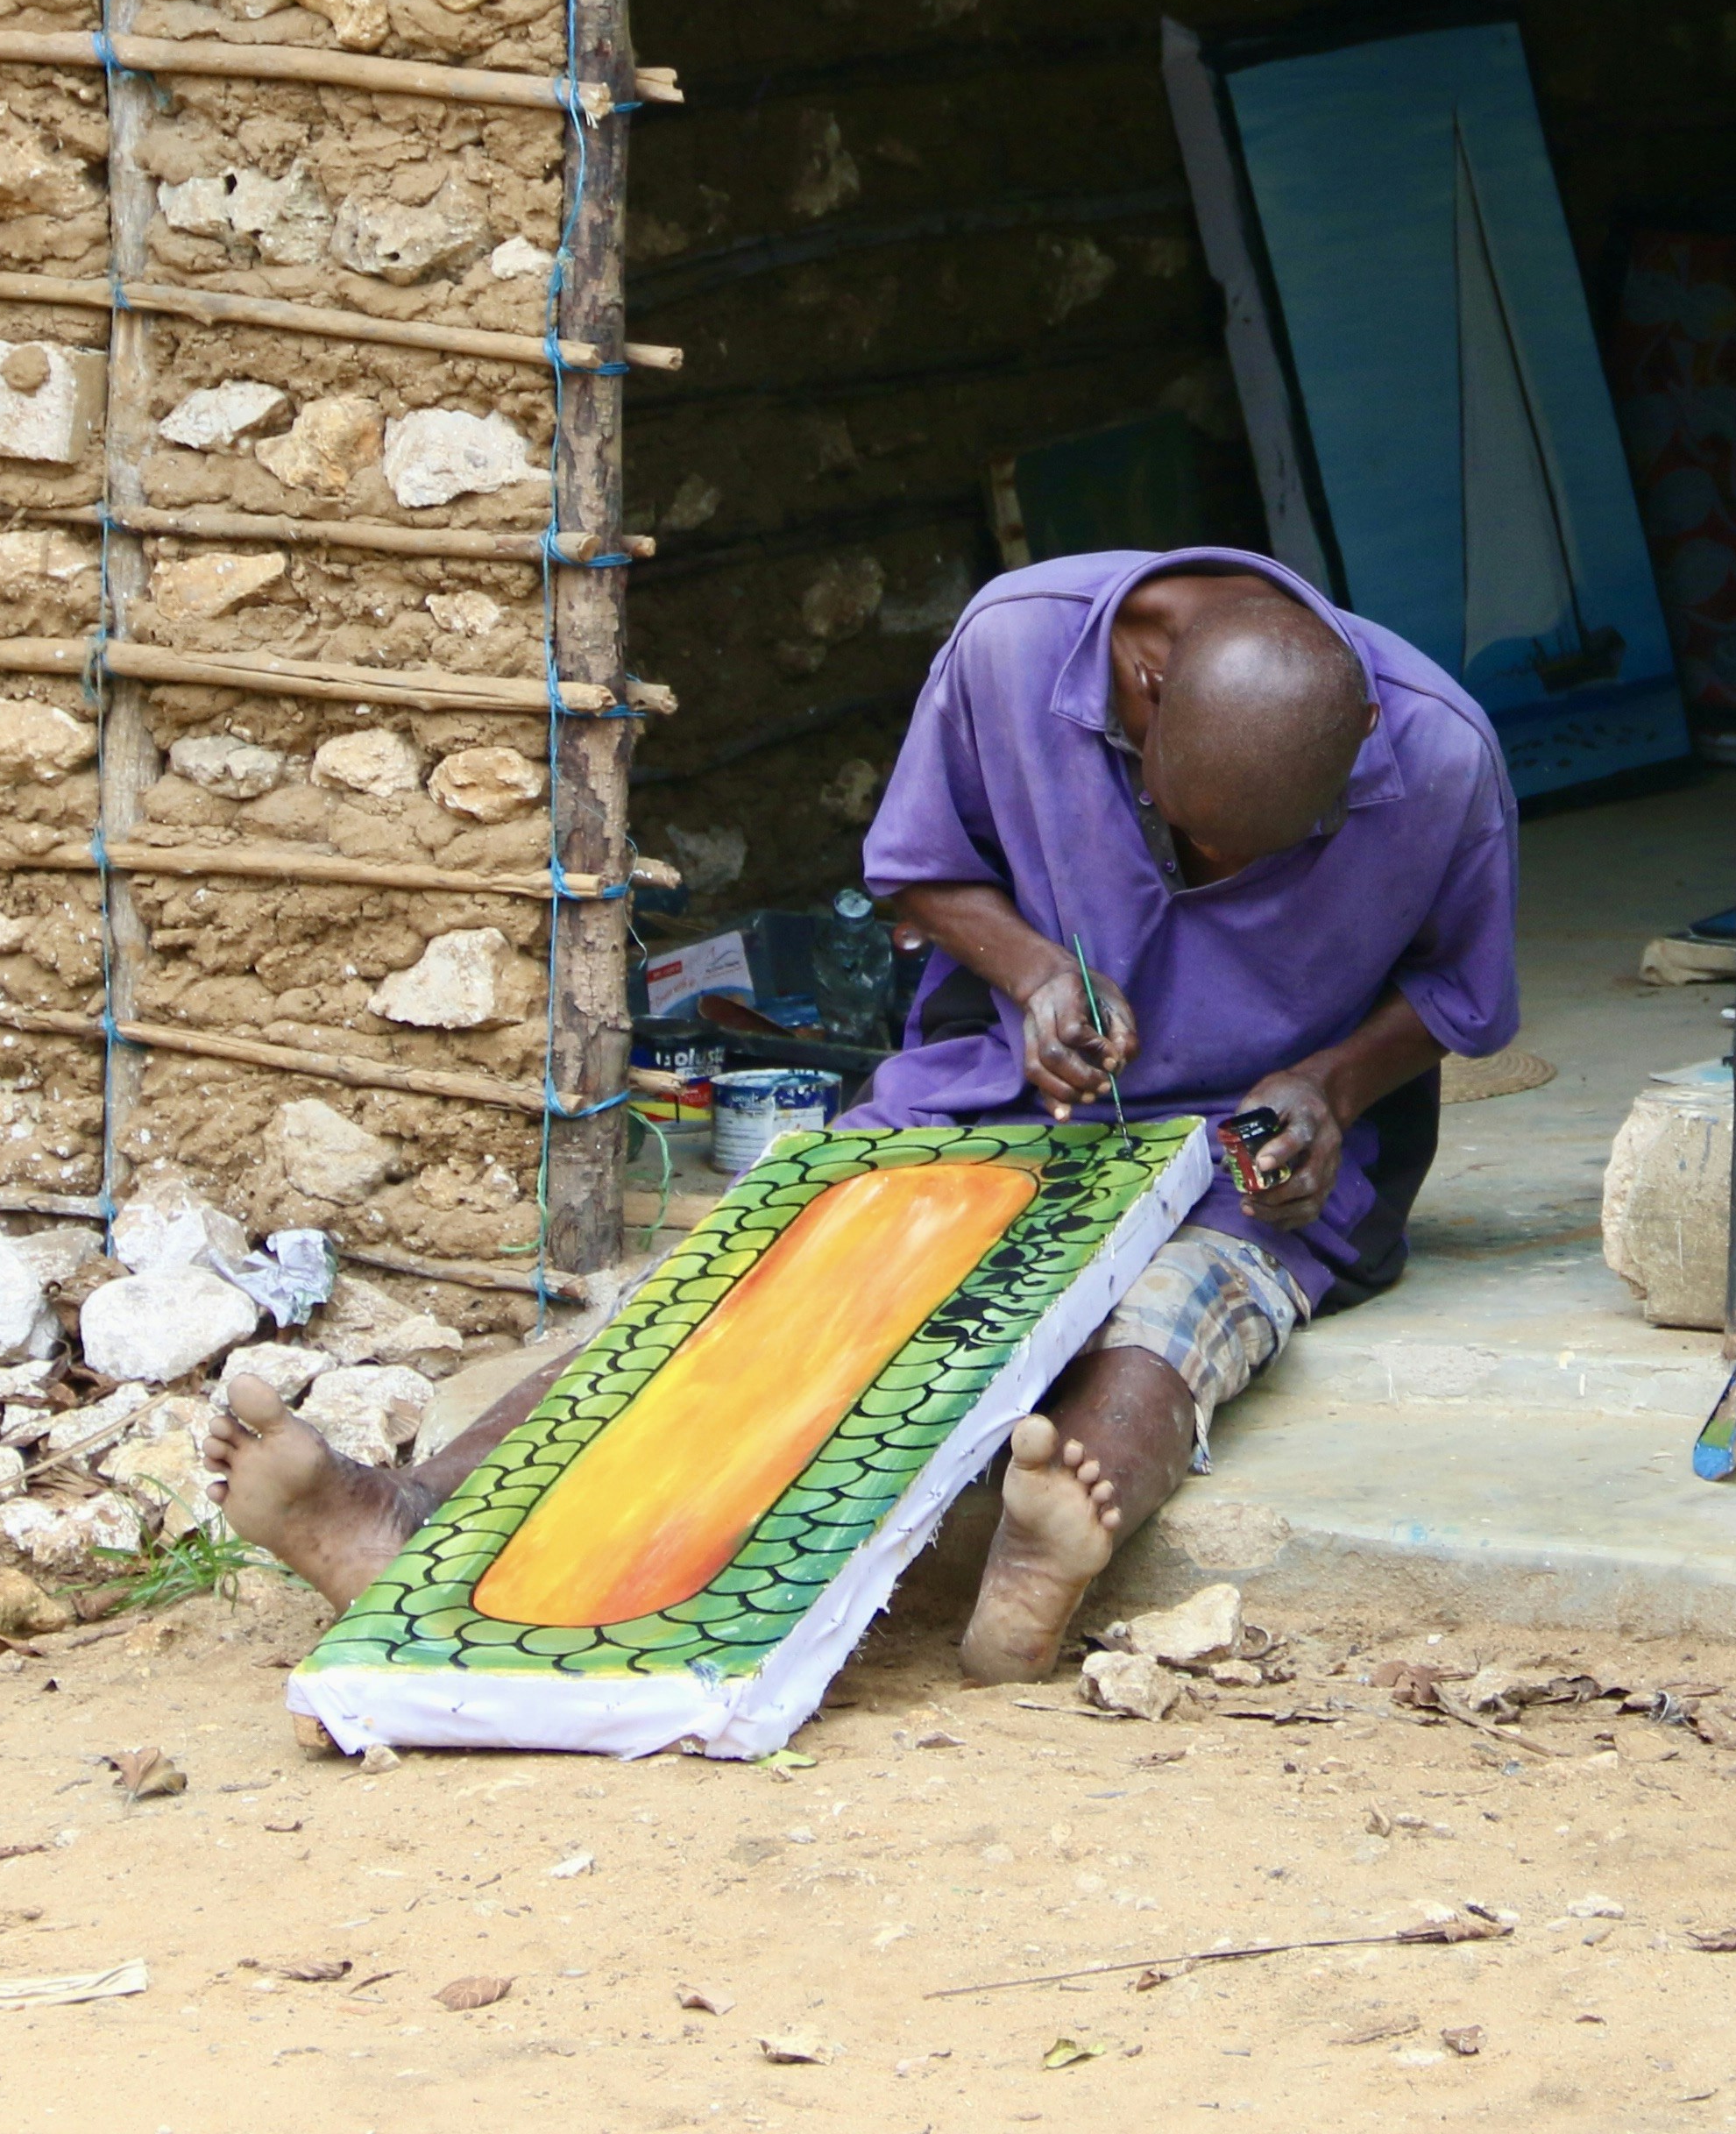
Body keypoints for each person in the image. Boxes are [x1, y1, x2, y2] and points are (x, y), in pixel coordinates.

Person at [206, 546, 1521, 1684]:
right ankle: (405, 1509)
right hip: (993, 1103)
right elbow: (916, 870)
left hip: (1242, 1158)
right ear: (1148, 691)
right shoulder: (1016, 646)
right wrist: (1032, 974)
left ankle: (1052, 1539)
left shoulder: (1444, 753)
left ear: (1360, 750)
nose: (1213, 883)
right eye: (1191, 839)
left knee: (1179, 1303)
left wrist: (1330, 1087)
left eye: (1262, 862)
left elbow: (1462, 993)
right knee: (773, 1288)